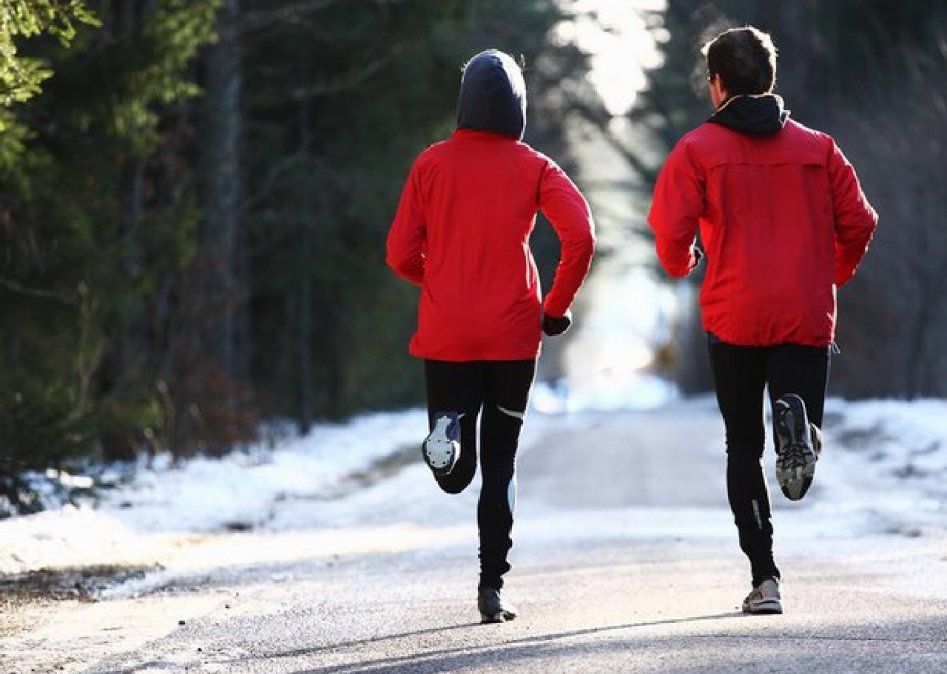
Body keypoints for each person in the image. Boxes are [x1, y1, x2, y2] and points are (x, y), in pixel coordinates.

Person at [648, 26, 877, 615]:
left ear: (718, 84)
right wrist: (829, 274)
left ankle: (765, 577)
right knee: (796, 426)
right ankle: (800, 428)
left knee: (741, 447)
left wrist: (682, 262)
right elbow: (861, 222)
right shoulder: (819, 148)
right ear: (769, 80)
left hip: (735, 313)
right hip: (803, 310)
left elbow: (670, 229)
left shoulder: (697, 150)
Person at [386, 49, 595, 623]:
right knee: (501, 464)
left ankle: (447, 435)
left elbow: (399, 253)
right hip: (512, 336)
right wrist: (554, 309)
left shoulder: (430, 164)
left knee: (455, 477)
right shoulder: (534, 167)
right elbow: (580, 236)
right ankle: (491, 589)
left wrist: (444, 279)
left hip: (447, 333)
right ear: (518, 107)